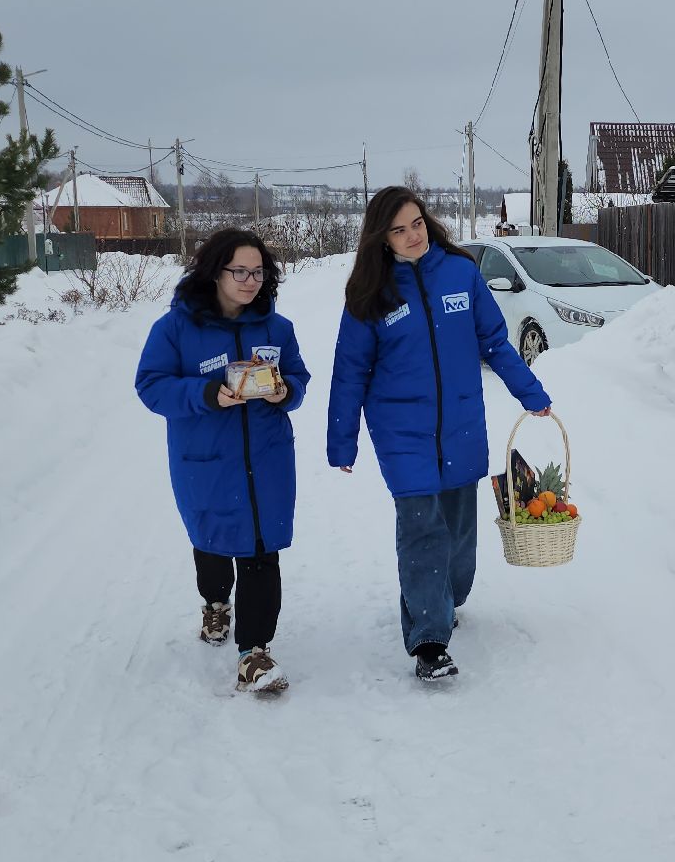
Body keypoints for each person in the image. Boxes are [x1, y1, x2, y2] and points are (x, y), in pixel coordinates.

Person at [328, 186, 551, 681]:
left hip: (461, 424)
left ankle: (448, 598)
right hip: (400, 431)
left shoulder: (460, 272)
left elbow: (493, 341)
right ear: (381, 239)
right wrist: (342, 439)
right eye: (399, 230)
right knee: (422, 528)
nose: (412, 236)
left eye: (417, 224)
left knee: (459, 534)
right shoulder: (371, 293)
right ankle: (429, 639)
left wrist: (530, 392)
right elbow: (349, 372)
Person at [136, 228, 310, 693]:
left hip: (268, 458)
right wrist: (207, 393)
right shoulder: (174, 329)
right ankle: (215, 604)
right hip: (207, 461)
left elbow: (298, 377)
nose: (251, 281)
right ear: (215, 271)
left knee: (261, 548)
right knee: (213, 543)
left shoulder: (277, 328)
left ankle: (254, 652)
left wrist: (285, 390)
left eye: (258, 272)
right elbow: (150, 386)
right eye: (240, 271)